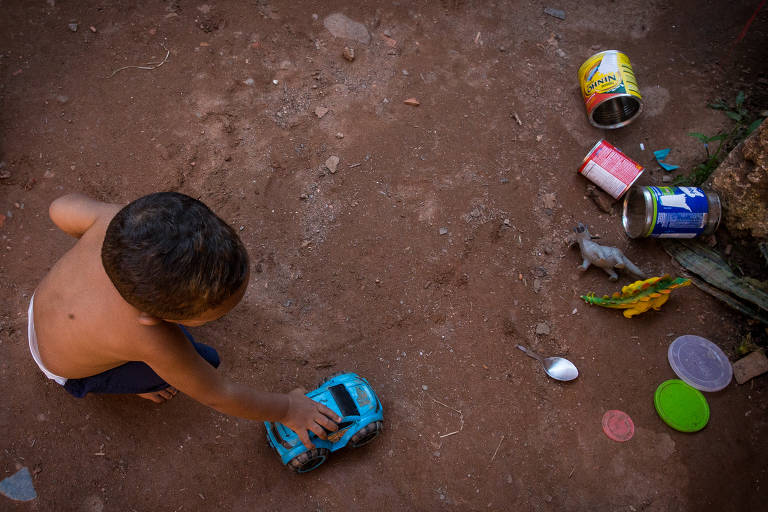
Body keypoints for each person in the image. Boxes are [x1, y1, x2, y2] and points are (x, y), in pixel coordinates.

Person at [28, 192, 339, 449]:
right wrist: (288, 409)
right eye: (212, 314)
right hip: (64, 369)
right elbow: (219, 395)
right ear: (153, 317)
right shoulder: (150, 339)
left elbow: (58, 207)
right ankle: (135, 382)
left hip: (43, 312)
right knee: (203, 360)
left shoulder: (119, 226)